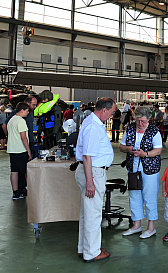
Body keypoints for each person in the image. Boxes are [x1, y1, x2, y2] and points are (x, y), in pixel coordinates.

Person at [74, 98, 116, 263]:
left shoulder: (92, 122)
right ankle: (91, 252)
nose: (112, 116)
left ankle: (85, 248)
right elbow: (87, 156)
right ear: (104, 110)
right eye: (111, 113)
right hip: (92, 173)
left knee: (87, 213)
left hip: (91, 171)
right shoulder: (93, 126)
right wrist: (90, 182)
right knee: (93, 215)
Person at [119, 106, 163, 239]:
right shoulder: (130, 129)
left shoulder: (154, 131)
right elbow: (121, 146)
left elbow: (158, 150)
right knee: (134, 196)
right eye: (138, 120)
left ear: (149, 120)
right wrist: (129, 149)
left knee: (149, 196)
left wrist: (146, 154)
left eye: (143, 121)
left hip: (150, 169)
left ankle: (151, 227)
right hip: (133, 168)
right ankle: (136, 225)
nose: (140, 124)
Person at [7, 102, 32, 200]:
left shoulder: (11, 120)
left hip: (12, 149)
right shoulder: (21, 121)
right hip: (20, 149)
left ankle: (16, 192)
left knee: (14, 171)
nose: (28, 113)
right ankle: (24, 189)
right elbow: (23, 137)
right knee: (24, 171)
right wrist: (28, 151)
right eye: (27, 111)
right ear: (22, 110)